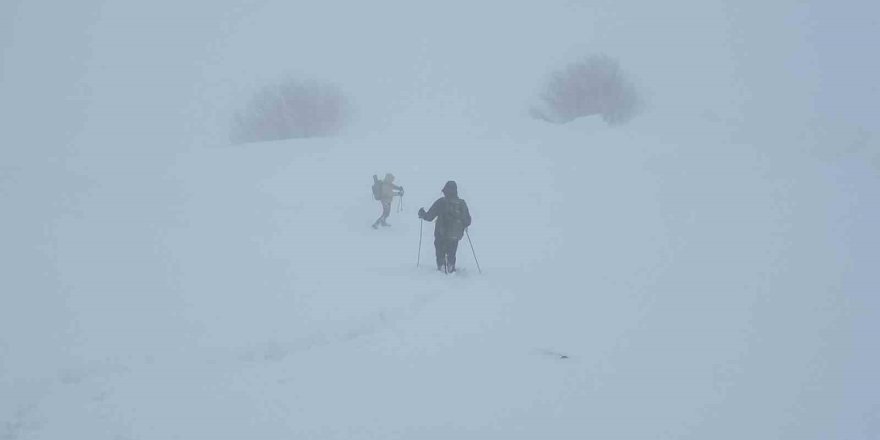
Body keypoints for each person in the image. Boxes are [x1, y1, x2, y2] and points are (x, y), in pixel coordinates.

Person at [418, 180, 472, 273]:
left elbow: (429, 217)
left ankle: (441, 265)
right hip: (455, 234)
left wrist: (422, 214)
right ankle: (451, 265)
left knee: (439, 249)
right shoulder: (461, 203)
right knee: (452, 250)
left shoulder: (441, 202)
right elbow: (468, 221)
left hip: (441, 233)